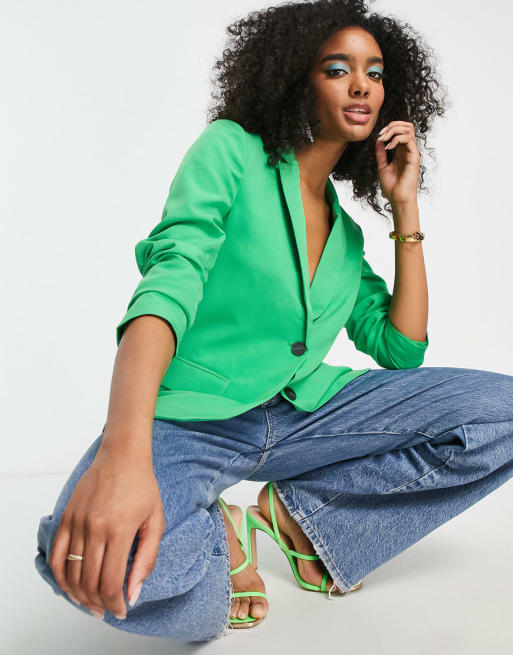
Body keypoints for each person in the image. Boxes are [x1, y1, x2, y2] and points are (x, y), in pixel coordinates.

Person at [34, 0, 513, 644]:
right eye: (338, 69)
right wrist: (125, 453)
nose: (361, 85)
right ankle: (222, 538)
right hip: (194, 420)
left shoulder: (344, 237)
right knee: (81, 563)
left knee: (502, 414)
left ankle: (306, 522)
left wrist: (406, 209)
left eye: (374, 73)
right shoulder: (231, 150)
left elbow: (401, 349)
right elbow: (167, 289)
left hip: (302, 415)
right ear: (295, 79)